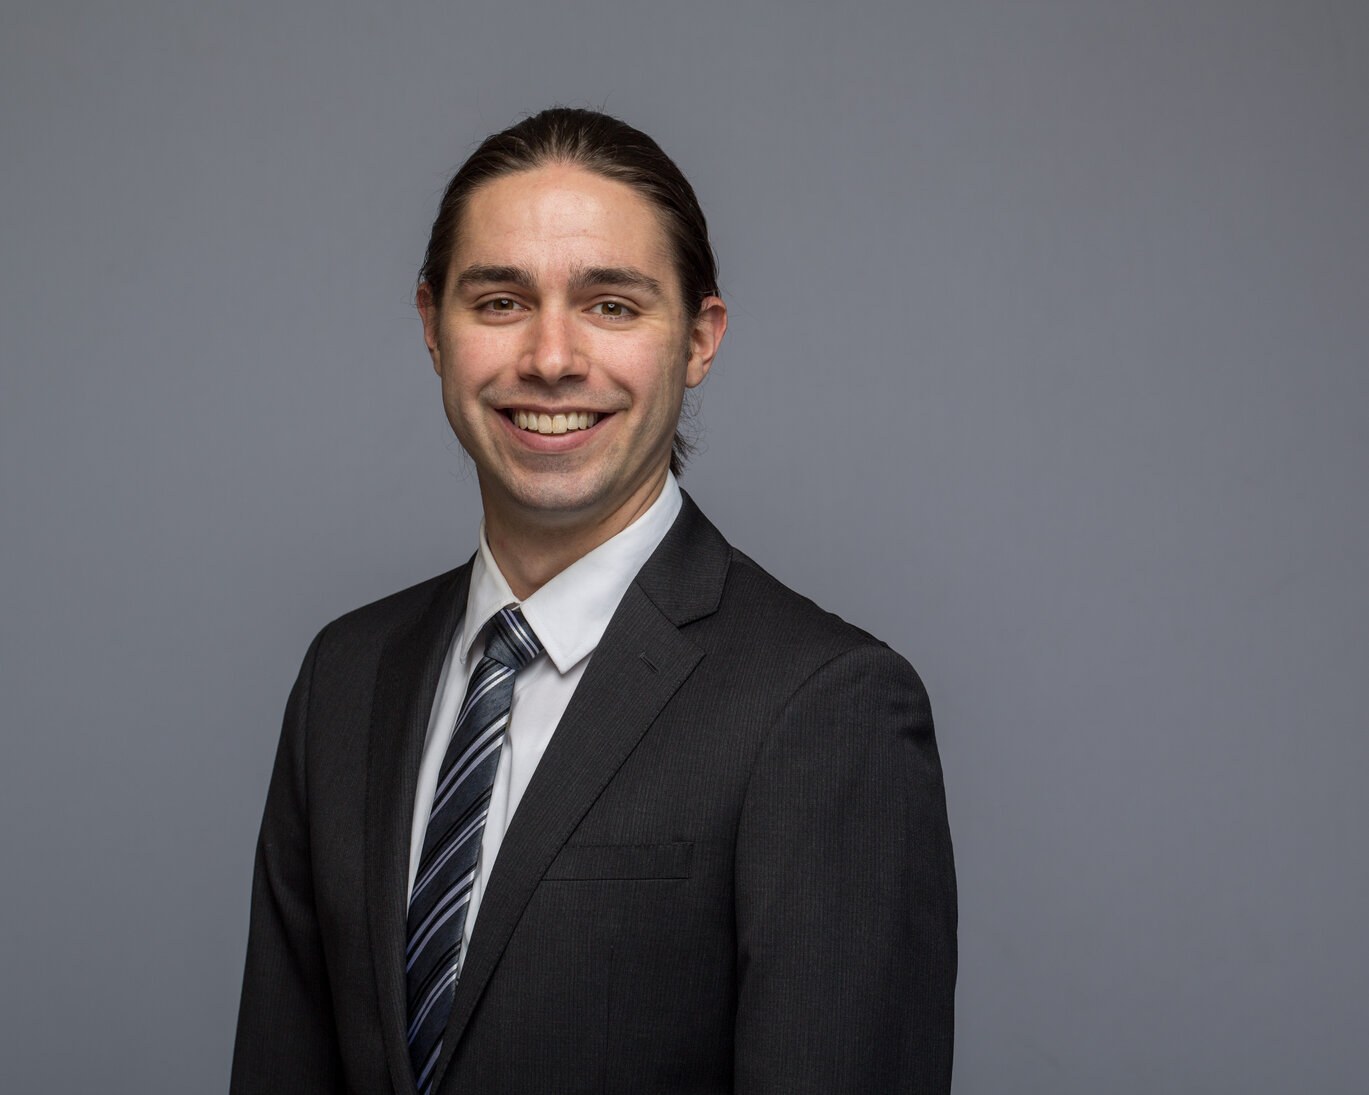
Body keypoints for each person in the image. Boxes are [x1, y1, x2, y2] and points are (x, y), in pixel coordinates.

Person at [231, 106, 956, 1095]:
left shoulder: (826, 707)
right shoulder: (346, 678)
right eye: (500, 302)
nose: (551, 358)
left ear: (698, 339)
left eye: (611, 305)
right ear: (433, 328)